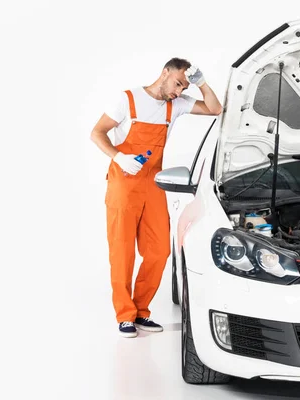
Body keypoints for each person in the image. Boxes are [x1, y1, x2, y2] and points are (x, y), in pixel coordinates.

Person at [90, 58, 223, 337]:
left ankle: (140, 311)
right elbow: (97, 132)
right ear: (165, 72)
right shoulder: (127, 99)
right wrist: (118, 156)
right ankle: (125, 315)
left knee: (160, 250)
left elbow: (215, 109)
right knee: (122, 251)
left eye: (184, 86)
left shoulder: (177, 104)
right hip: (123, 183)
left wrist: (201, 84)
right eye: (177, 83)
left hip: (153, 184)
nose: (178, 91)